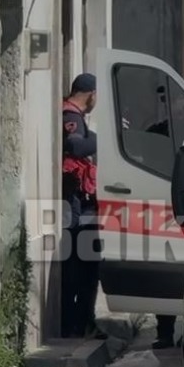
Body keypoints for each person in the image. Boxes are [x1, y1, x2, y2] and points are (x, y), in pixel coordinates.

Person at [61, 73, 105, 339]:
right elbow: (76, 147)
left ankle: (82, 322)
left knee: (85, 265)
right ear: (91, 95)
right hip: (75, 204)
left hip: (81, 203)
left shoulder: (75, 116)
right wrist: (104, 138)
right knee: (82, 267)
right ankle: (78, 324)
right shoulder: (71, 116)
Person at [143, 115, 178, 350]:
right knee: (169, 277)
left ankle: (170, 333)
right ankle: (165, 333)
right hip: (166, 212)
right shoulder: (162, 131)